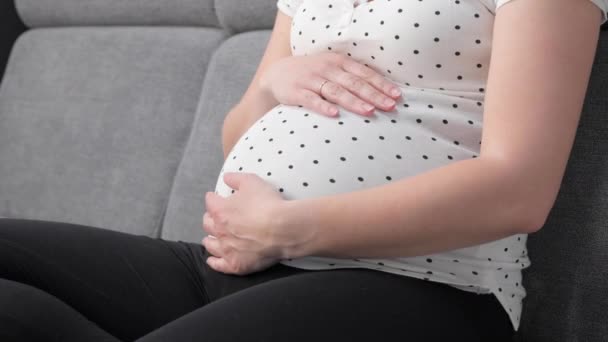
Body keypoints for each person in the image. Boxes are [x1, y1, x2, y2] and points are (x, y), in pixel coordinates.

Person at [1, 0, 606, 341]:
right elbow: (235, 134)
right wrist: (271, 84)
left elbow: (518, 187)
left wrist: (288, 228)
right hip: (240, 263)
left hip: (420, 288)